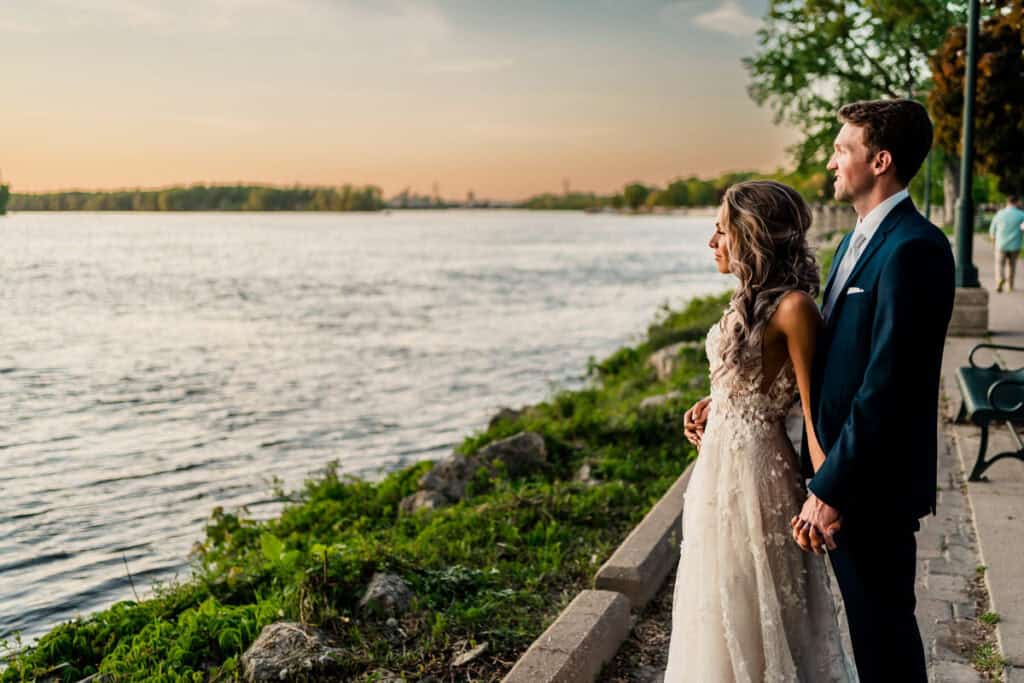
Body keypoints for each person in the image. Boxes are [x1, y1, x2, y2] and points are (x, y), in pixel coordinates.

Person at [681, 99, 955, 682]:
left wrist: (830, 486)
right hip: (831, 476)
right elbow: (829, 368)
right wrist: (731, 399)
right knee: (866, 632)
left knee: (884, 640)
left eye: (841, 149)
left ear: (879, 161)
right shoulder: (858, 243)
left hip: (869, 486)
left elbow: (889, 387)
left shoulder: (915, 249)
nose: (831, 162)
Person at [664, 179, 855, 681]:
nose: (712, 243)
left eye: (722, 231)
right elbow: (748, 378)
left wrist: (825, 494)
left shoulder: (794, 309)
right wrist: (713, 405)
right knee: (716, 600)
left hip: (758, 479)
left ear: (752, 237)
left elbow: (814, 413)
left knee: (759, 601)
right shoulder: (744, 299)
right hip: (714, 474)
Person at [989, 194, 1024, 292]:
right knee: (1012, 265)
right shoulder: (1021, 214)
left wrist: (993, 242)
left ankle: (1000, 279)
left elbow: (992, 231)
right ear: (1016, 202)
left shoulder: (999, 214)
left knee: (999, 264)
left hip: (1001, 244)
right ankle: (1010, 286)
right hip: (1015, 245)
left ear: (1007, 202)